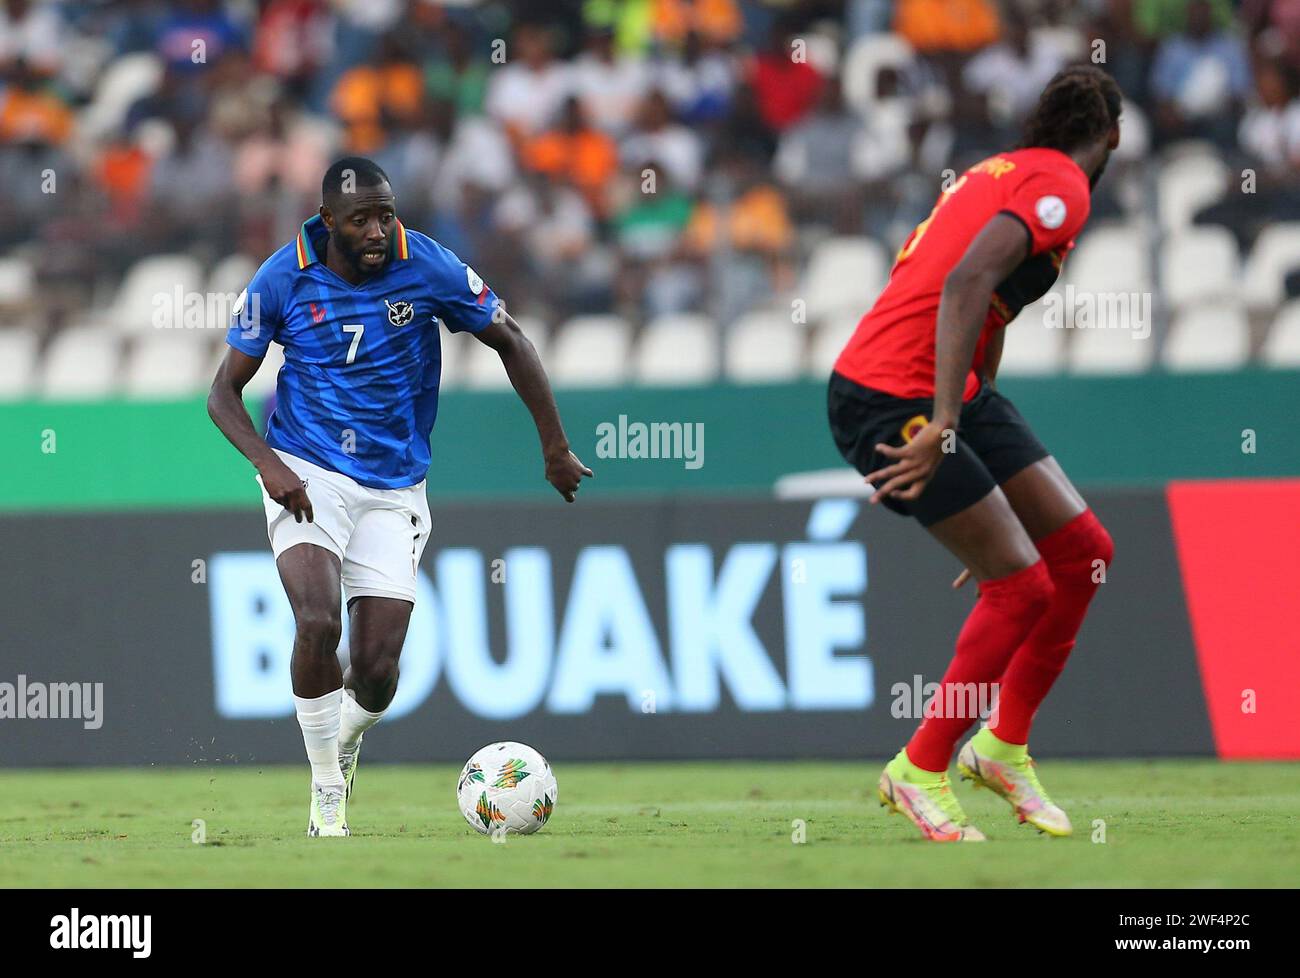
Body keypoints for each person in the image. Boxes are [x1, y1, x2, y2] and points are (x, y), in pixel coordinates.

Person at [208, 157, 592, 836]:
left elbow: (510, 338)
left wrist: (554, 446)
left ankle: (345, 737)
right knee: (318, 623)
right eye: (362, 218)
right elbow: (222, 395)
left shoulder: (430, 265)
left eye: (387, 212)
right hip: (307, 467)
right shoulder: (281, 278)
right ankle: (327, 789)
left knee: (379, 671)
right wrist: (270, 466)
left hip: (394, 483)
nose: (380, 228)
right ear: (329, 223)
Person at [827, 67, 1119, 842]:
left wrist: (978, 465)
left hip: (947, 386)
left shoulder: (1002, 171)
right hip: (891, 395)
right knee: (1021, 588)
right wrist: (947, 427)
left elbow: (986, 309)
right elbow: (963, 284)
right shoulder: (1063, 187)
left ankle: (1002, 747)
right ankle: (920, 768)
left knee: (1083, 554)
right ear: (1110, 139)